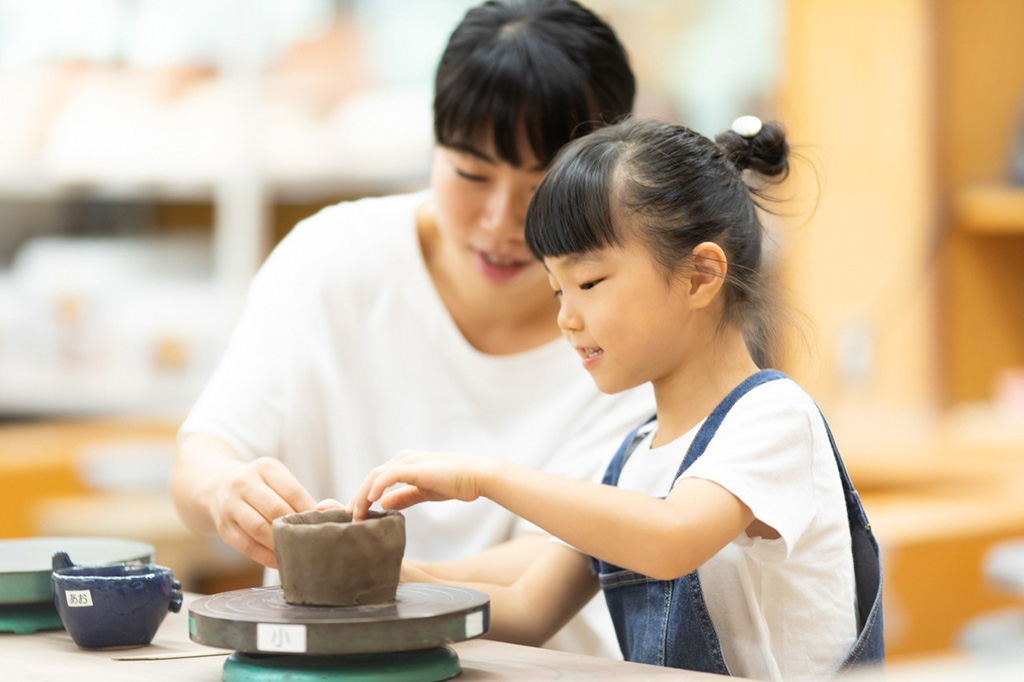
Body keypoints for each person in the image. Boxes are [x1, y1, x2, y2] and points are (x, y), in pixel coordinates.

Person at [170, 0, 653, 656]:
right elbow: (204, 455)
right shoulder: (330, 259)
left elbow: (554, 574)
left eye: (542, 188)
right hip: (315, 667)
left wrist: (353, 571)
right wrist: (224, 490)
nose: (500, 221)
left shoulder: (636, 334)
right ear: (433, 145)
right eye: (470, 175)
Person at [346, 117, 885, 680]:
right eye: (556, 288)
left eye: (589, 283)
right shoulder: (631, 460)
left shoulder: (773, 416)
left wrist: (486, 477)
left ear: (701, 275)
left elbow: (672, 539)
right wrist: (381, 572)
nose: (565, 317)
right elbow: (528, 609)